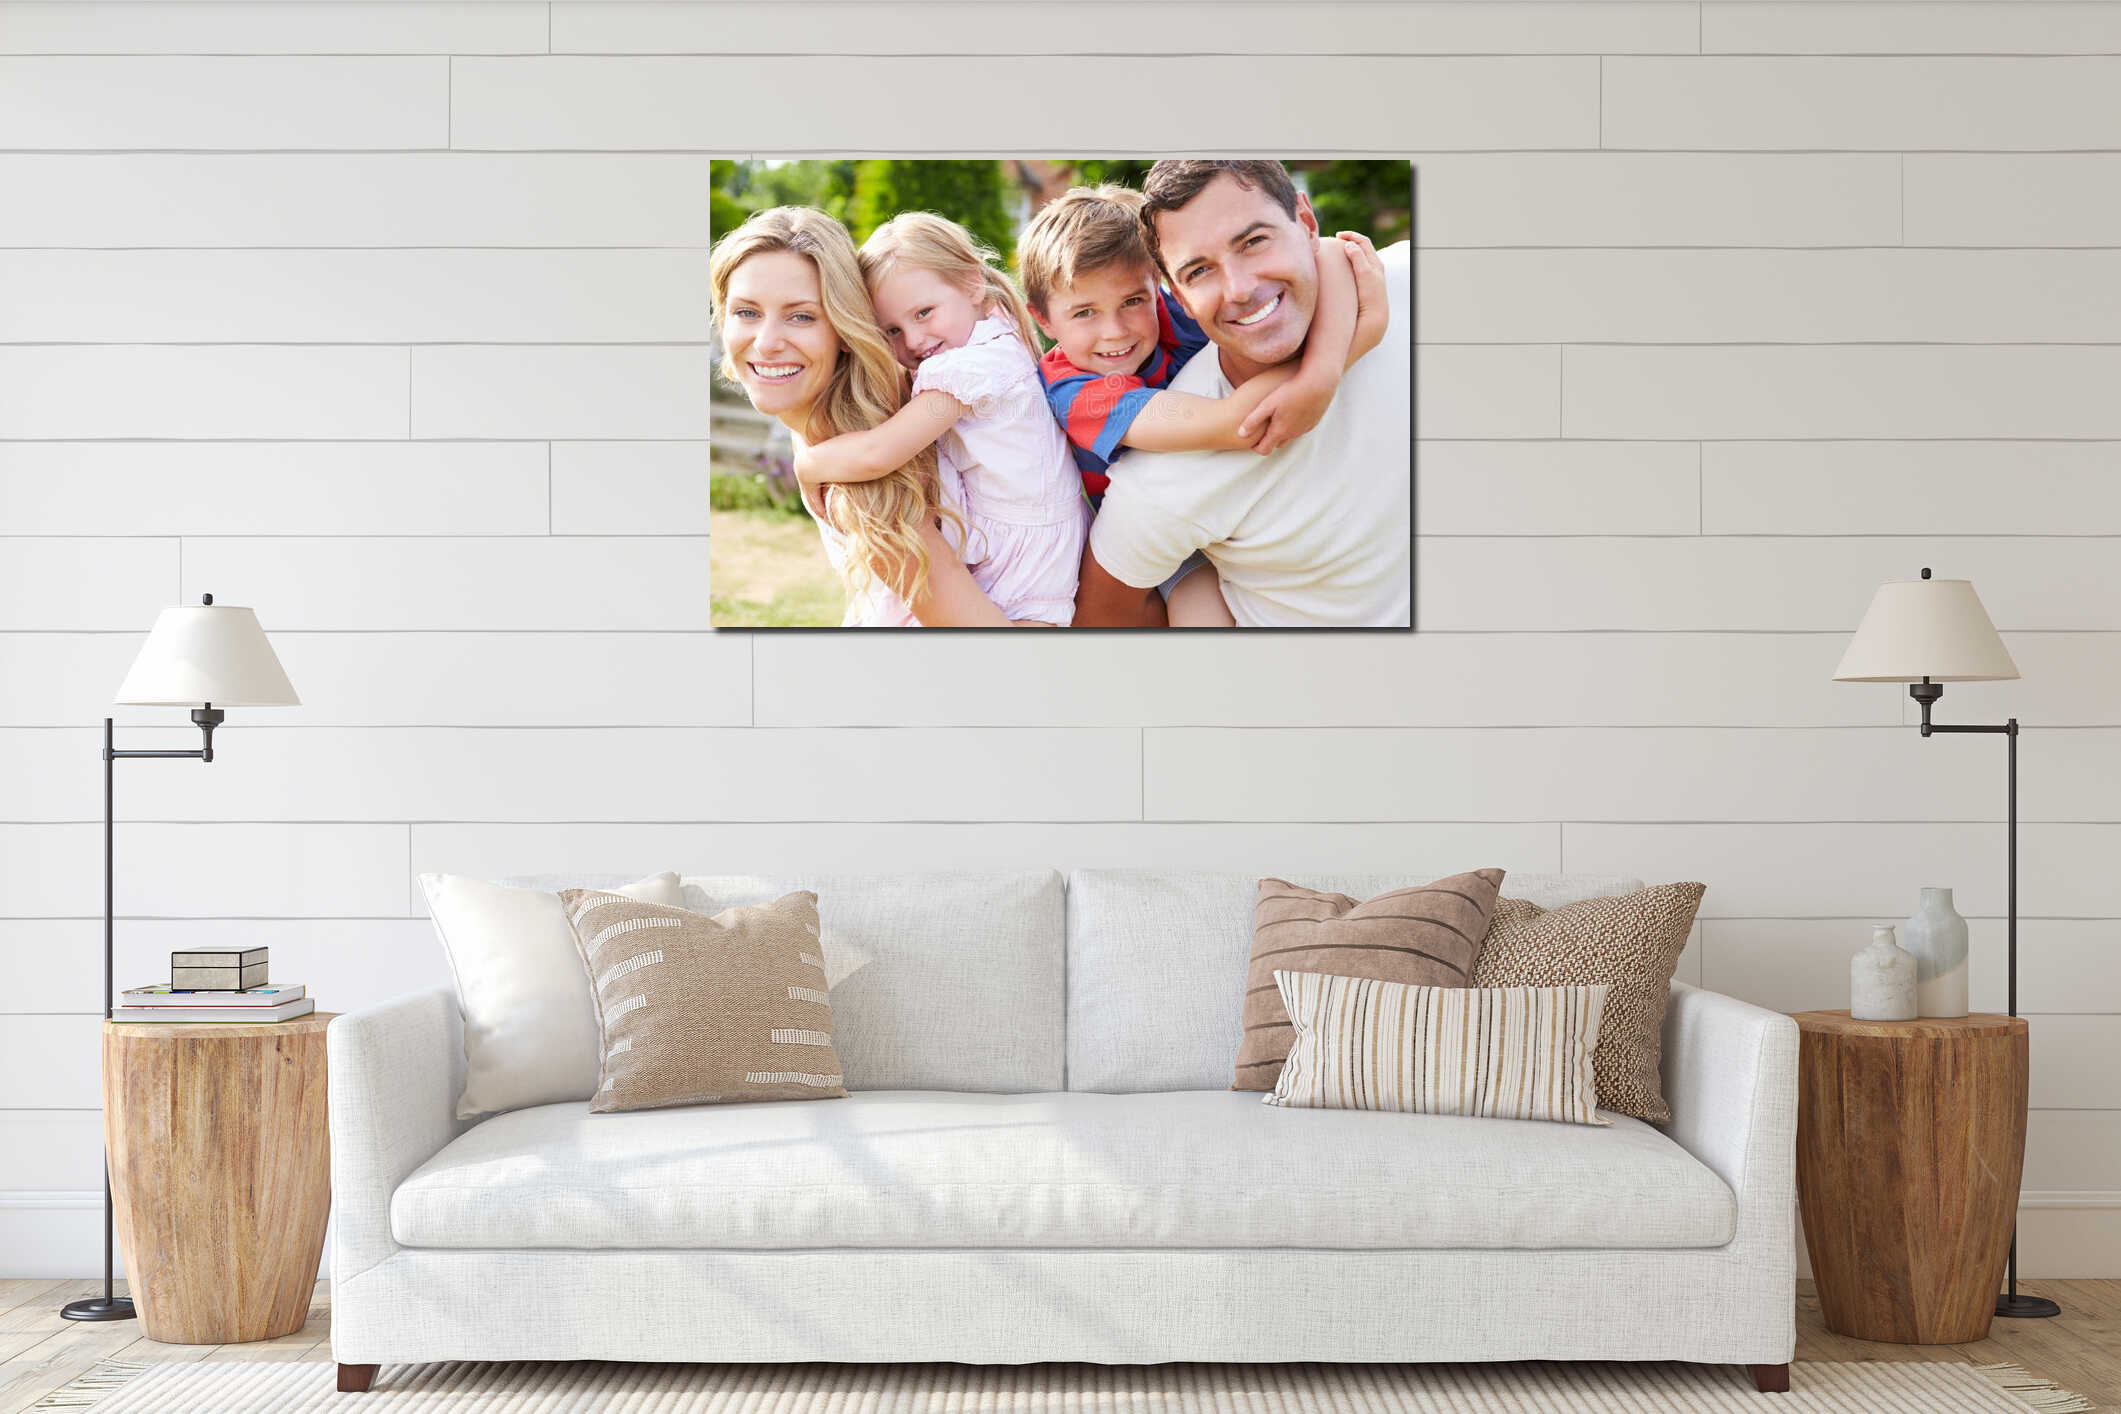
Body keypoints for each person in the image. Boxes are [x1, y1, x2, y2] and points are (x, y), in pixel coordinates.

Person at [1018, 183, 1385, 626]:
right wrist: (1345, 350)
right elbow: (1236, 423)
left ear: (1159, 286)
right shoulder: (1076, 393)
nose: (1115, 330)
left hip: (1231, 514)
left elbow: (1328, 251)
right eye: (1084, 313)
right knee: (1199, 614)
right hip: (1156, 545)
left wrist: (1324, 364)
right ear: (1043, 319)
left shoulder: (1172, 312)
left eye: (1133, 301)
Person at [708, 206, 1011, 627]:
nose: (767, 342)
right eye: (747, 312)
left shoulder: (862, 481)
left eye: (801, 316)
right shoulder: (822, 424)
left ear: (845, 331)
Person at [790, 212, 1088, 628]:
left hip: (1018, 573)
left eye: (923, 313)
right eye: (891, 331)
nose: (913, 341)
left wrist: (807, 465)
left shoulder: (972, 367)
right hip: (1033, 566)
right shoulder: (997, 337)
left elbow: (879, 453)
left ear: (971, 284)